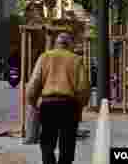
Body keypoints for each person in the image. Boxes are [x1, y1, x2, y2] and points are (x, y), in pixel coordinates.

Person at [25, 33, 90, 164]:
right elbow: (83, 88)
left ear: (56, 44)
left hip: (48, 104)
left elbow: (34, 82)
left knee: (47, 141)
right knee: (67, 143)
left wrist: (32, 101)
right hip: (69, 105)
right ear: (70, 45)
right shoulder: (76, 60)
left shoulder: (45, 57)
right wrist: (81, 105)